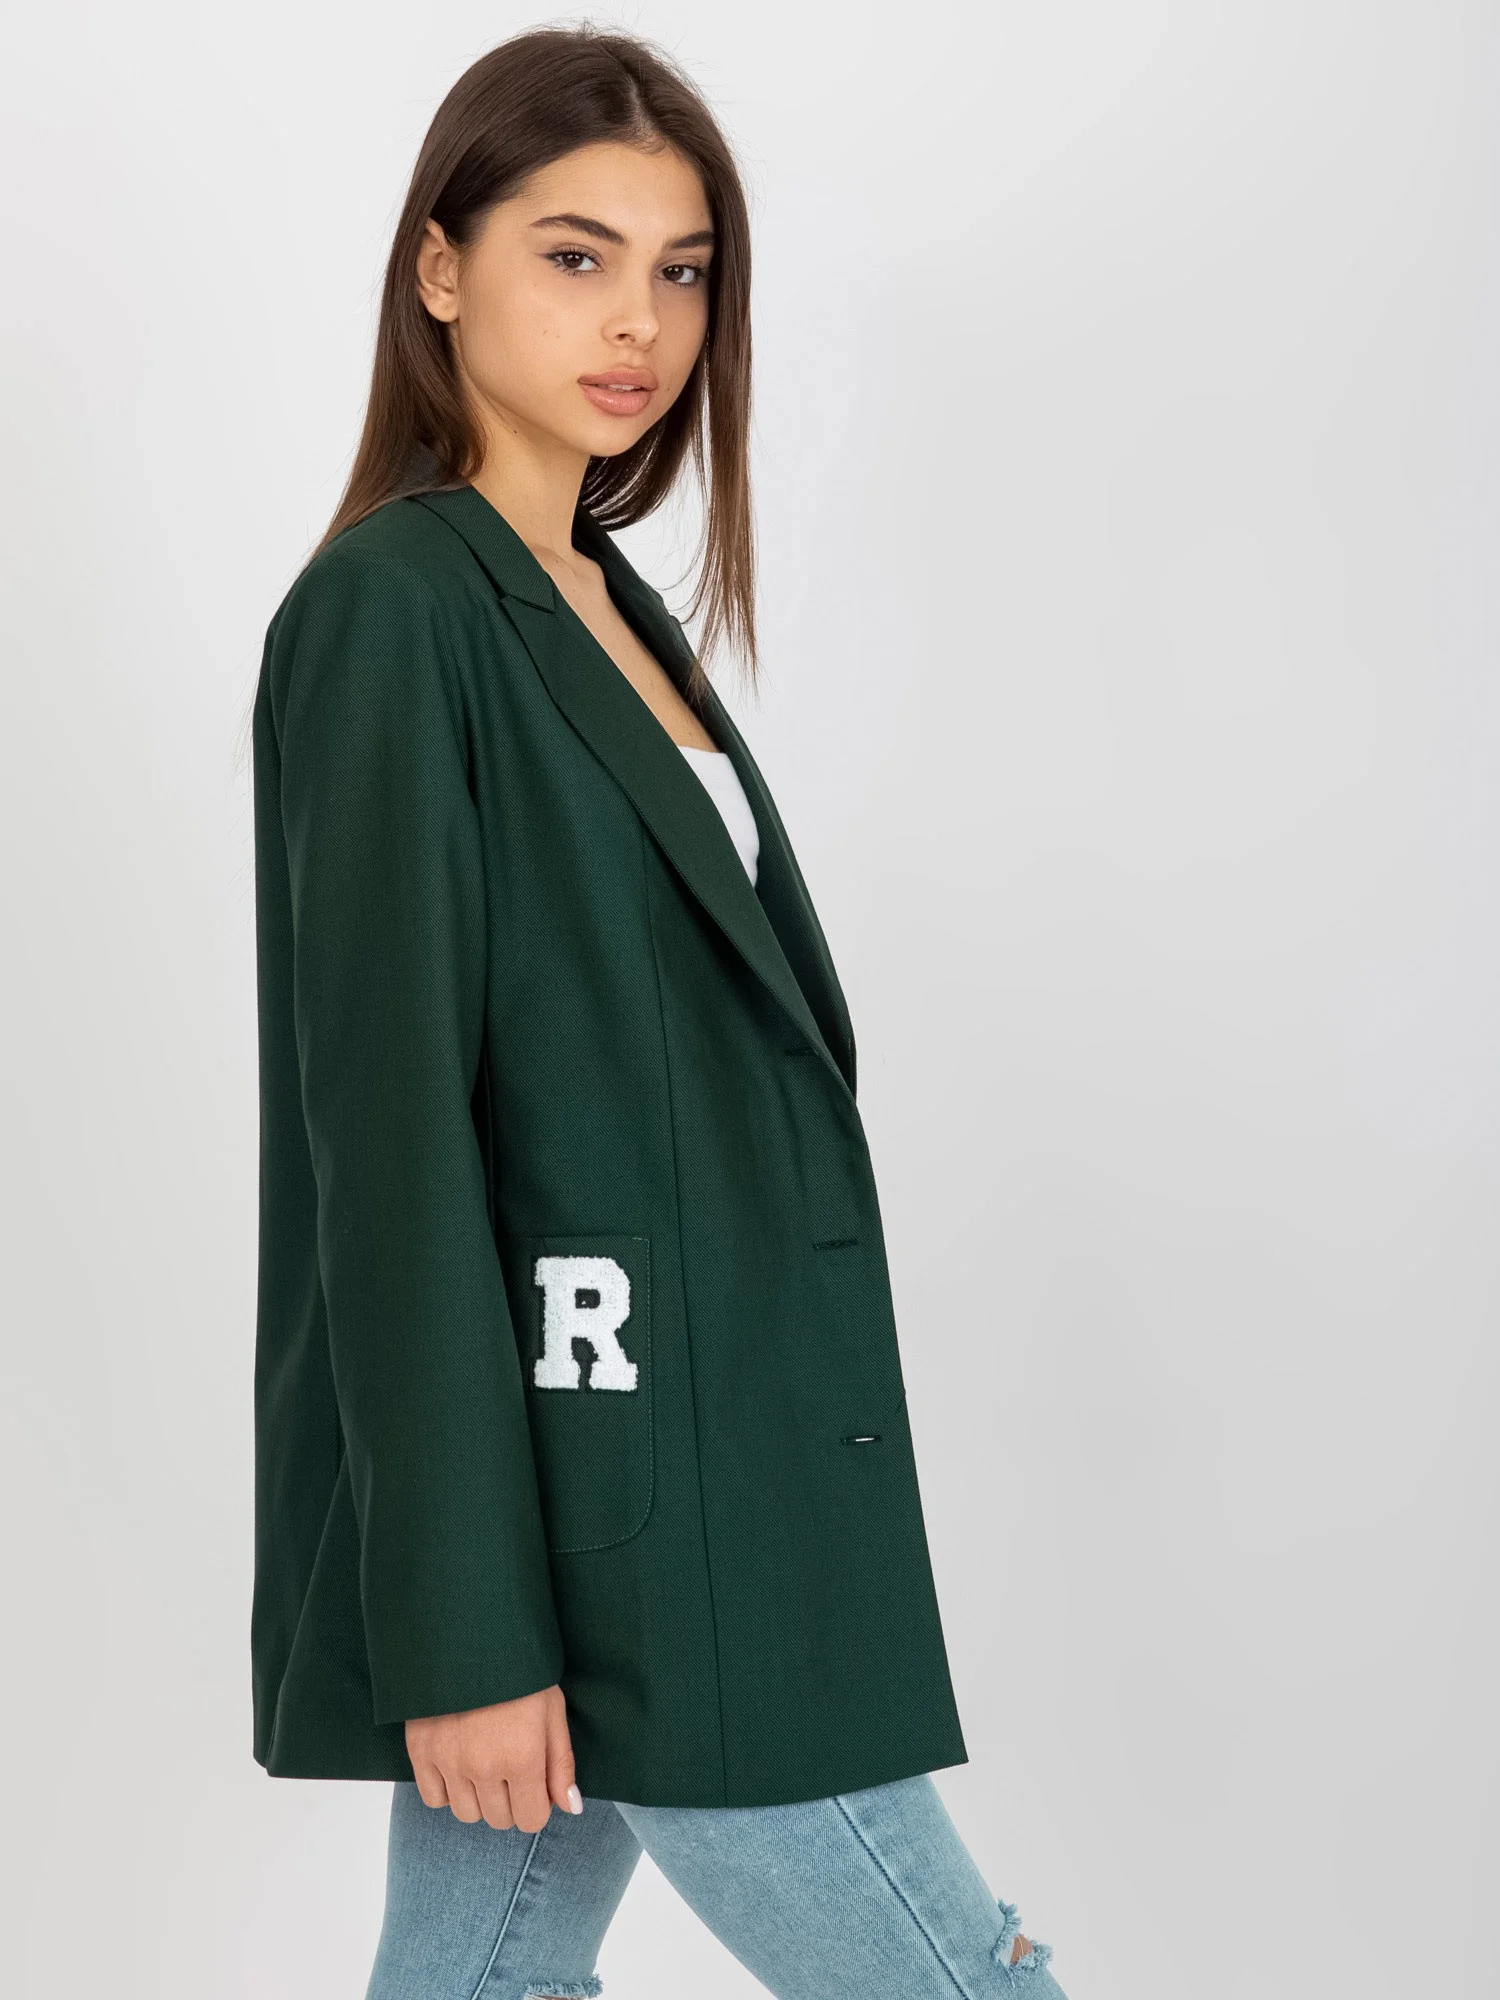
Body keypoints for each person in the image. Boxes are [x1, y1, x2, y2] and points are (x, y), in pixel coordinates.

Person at [249, 25, 1068, 2000]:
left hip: (687, 1462)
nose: (640, 321)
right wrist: (463, 1631)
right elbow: (393, 1149)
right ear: (440, 269)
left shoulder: (607, 601)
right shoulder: (395, 612)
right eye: (575, 254)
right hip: (637, 1513)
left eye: (682, 269)